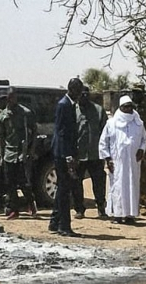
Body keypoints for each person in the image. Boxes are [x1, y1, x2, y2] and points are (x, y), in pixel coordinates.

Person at [99, 95, 146, 225]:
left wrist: (141, 149)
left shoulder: (138, 122)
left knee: (132, 187)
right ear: (120, 107)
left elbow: (144, 139)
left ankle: (130, 215)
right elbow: (103, 142)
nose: (128, 109)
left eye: (130, 106)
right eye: (126, 107)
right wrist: (108, 159)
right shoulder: (111, 123)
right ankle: (118, 215)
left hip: (133, 162)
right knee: (118, 187)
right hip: (117, 162)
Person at [49, 78, 84, 237]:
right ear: (73, 90)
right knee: (64, 190)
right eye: (79, 91)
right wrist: (69, 156)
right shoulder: (64, 105)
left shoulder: (69, 104)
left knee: (62, 188)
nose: (80, 94)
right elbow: (62, 132)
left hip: (64, 152)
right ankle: (64, 226)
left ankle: (55, 222)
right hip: (63, 153)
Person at [0, 86, 38, 220]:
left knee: (23, 182)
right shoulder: (2, 116)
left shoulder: (25, 113)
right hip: (9, 153)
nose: (12, 100)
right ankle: (14, 210)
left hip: (22, 152)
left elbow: (34, 131)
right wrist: (2, 155)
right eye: (9, 97)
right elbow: (2, 137)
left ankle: (31, 202)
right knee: (10, 183)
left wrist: (31, 150)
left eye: (14, 97)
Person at [72, 86, 109, 219]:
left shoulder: (99, 110)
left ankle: (101, 208)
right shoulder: (72, 110)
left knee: (99, 183)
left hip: (96, 154)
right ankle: (79, 209)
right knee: (76, 182)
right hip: (79, 155)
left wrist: (106, 153)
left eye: (86, 94)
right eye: (81, 94)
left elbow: (106, 133)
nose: (84, 96)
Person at [131, 83, 146, 210]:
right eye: (134, 92)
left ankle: (144, 202)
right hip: (131, 144)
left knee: (144, 175)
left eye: (138, 92)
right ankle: (132, 201)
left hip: (145, 145)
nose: (135, 95)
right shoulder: (128, 107)